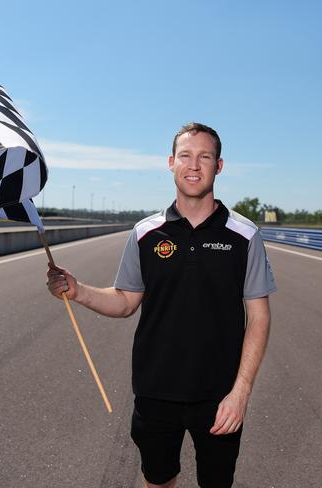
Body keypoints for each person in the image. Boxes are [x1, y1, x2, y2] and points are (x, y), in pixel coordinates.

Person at [47, 122, 276, 488]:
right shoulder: (145, 233)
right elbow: (124, 302)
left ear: (219, 166)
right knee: (157, 481)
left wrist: (241, 393)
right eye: (185, 155)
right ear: (171, 162)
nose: (194, 165)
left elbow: (259, 318)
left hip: (220, 397)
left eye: (205, 156)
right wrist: (78, 290)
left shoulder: (245, 235)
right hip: (155, 392)